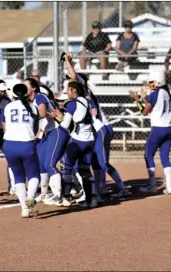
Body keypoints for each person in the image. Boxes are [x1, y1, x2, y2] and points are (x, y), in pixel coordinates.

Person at [64, 53, 130, 198]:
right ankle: (101, 188)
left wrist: (68, 62)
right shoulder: (82, 97)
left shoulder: (85, 93)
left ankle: (120, 188)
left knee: (101, 162)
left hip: (101, 129)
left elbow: (75, 77)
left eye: (71, 83)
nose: (69, 84)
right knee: (94, 161)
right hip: (98, 130)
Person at [24, 78, 70, 206]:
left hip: (57, 131)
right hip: (50, 132)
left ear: (33, 88)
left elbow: (42, 114)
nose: (23, 88)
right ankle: (53, 193)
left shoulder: (39, 97)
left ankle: (58, 195)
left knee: (50, 164)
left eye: (25, 86)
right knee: (45, 164)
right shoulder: (32, 100)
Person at [51, 81, 96, 207]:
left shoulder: (72, 104)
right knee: (86, 170)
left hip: (77, 141)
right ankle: (92, 199)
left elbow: (65, 125)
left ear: (74, 90)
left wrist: (55, 117)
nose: (67, 92)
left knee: (67, 168)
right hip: (90, 140)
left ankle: (66, 198)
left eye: (68, 90)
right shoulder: (87, 101)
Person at [129, 70, 171, 195]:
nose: (150, 85)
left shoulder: (155, 94)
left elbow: (144, 112)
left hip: (158, 129)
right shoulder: (166, 93)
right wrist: (144, 98)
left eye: (152, 82)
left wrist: (137, 100)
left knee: (148, 155)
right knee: (165, 157)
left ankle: (153, 186)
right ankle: (169, 186)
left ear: (158, 82)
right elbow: (153, 105)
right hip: (169, 128)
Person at [2, 83, 40, 218]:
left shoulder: (8, 106)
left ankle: (24, 209)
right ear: (26, 93)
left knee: (18, 177)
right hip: (27, 143)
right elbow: (36, 128)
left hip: (9, 144)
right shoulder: (33, 107)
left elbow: (4, 125)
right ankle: (30, 196)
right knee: (34, 175)